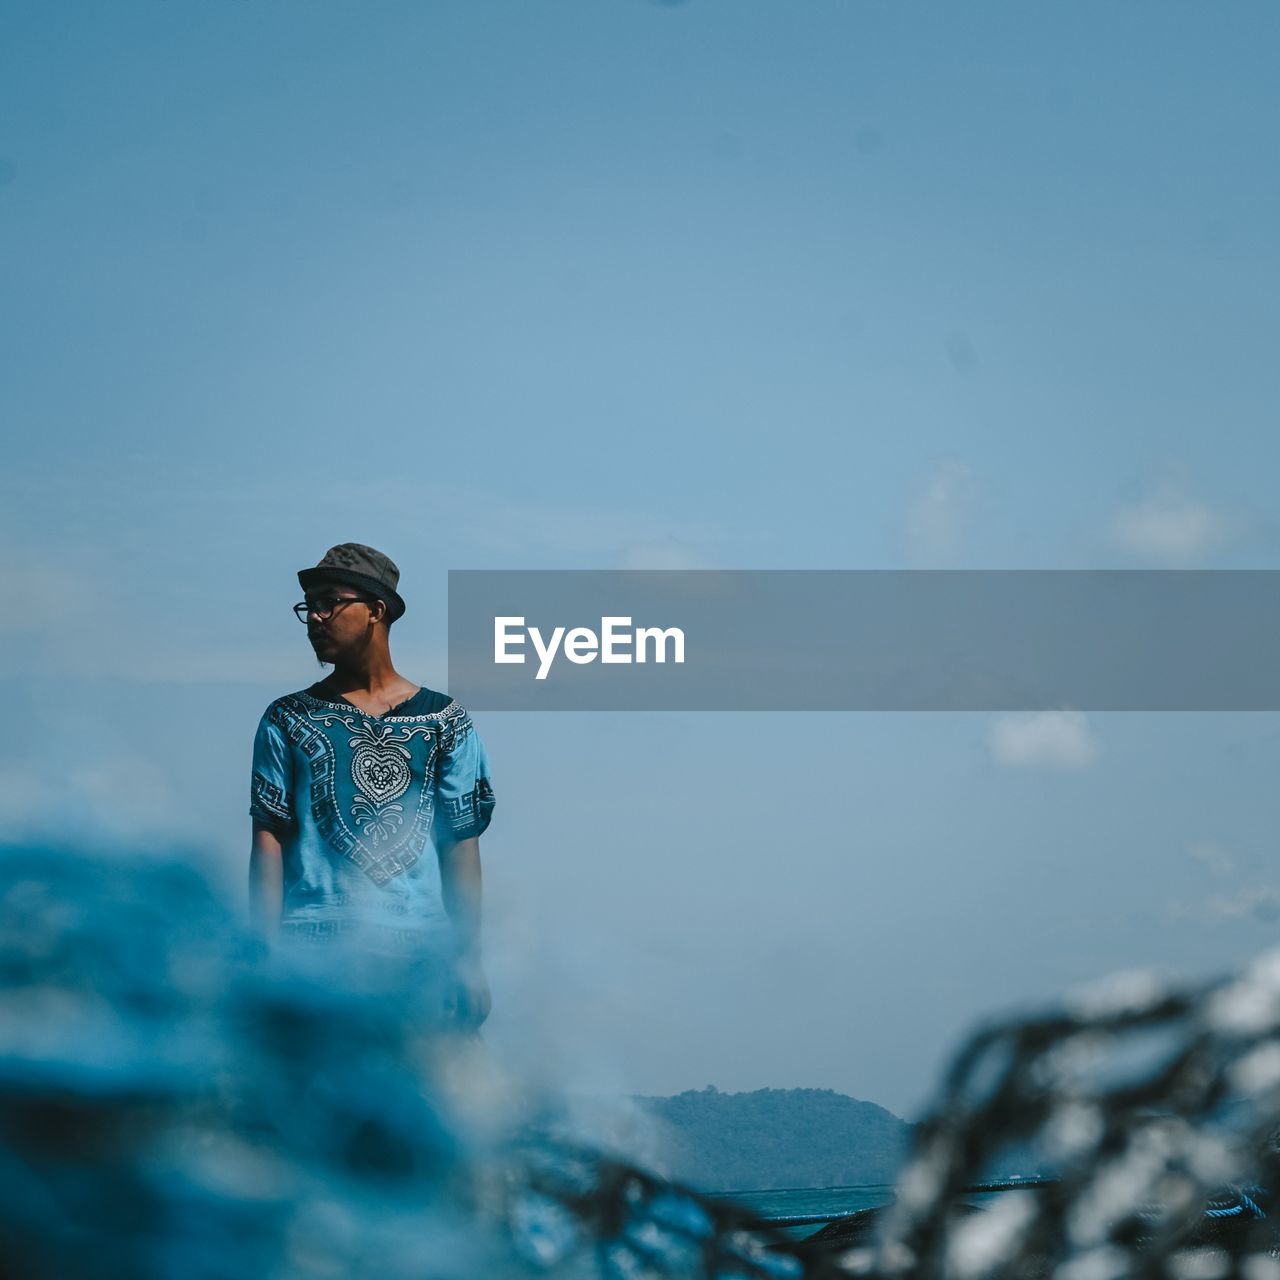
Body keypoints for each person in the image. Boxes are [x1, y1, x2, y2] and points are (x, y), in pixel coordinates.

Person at [248, 542, 496, 1029]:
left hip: (416, 958)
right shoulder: (288, 718)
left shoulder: (445, 722)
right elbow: (268, 838)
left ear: (375, 611)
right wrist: (262, 956)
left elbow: (460, 848)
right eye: (308, 607)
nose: (315, 618)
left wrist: (467, 959)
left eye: (329, 602)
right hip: (311, 956)